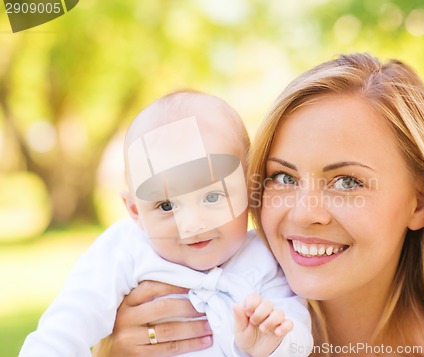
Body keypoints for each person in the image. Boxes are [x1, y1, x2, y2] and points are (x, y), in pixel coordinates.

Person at [93, 53, 424, 357]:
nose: (305, 213)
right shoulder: (191, 298)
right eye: (283, 177)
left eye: (346, 182)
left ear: (421, 204)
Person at [20, 91, 313, 357]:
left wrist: (273, 344)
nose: (193, 223)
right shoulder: (124, 250)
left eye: (212, 196)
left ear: (249, 189)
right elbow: (66, 326)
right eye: (166, 205)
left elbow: (299, 335)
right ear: (135, 211)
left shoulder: (263, 257)